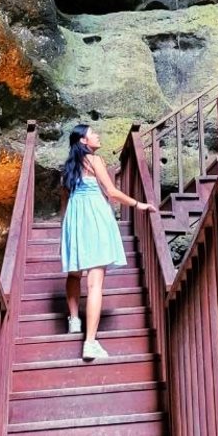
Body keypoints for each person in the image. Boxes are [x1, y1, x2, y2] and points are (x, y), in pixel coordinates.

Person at [59, 123, 158, 361]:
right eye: (93, 133)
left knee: (74, 274)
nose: (98, 135)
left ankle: (74, 320)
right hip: (94, 217)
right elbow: (112, 192)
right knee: (95, 284)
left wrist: (67, 229)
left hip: (74, 219)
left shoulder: (68, 168)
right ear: (83, 141)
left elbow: (64, 202)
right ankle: (90, 343)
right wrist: (138, 204)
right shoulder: (95, 161)